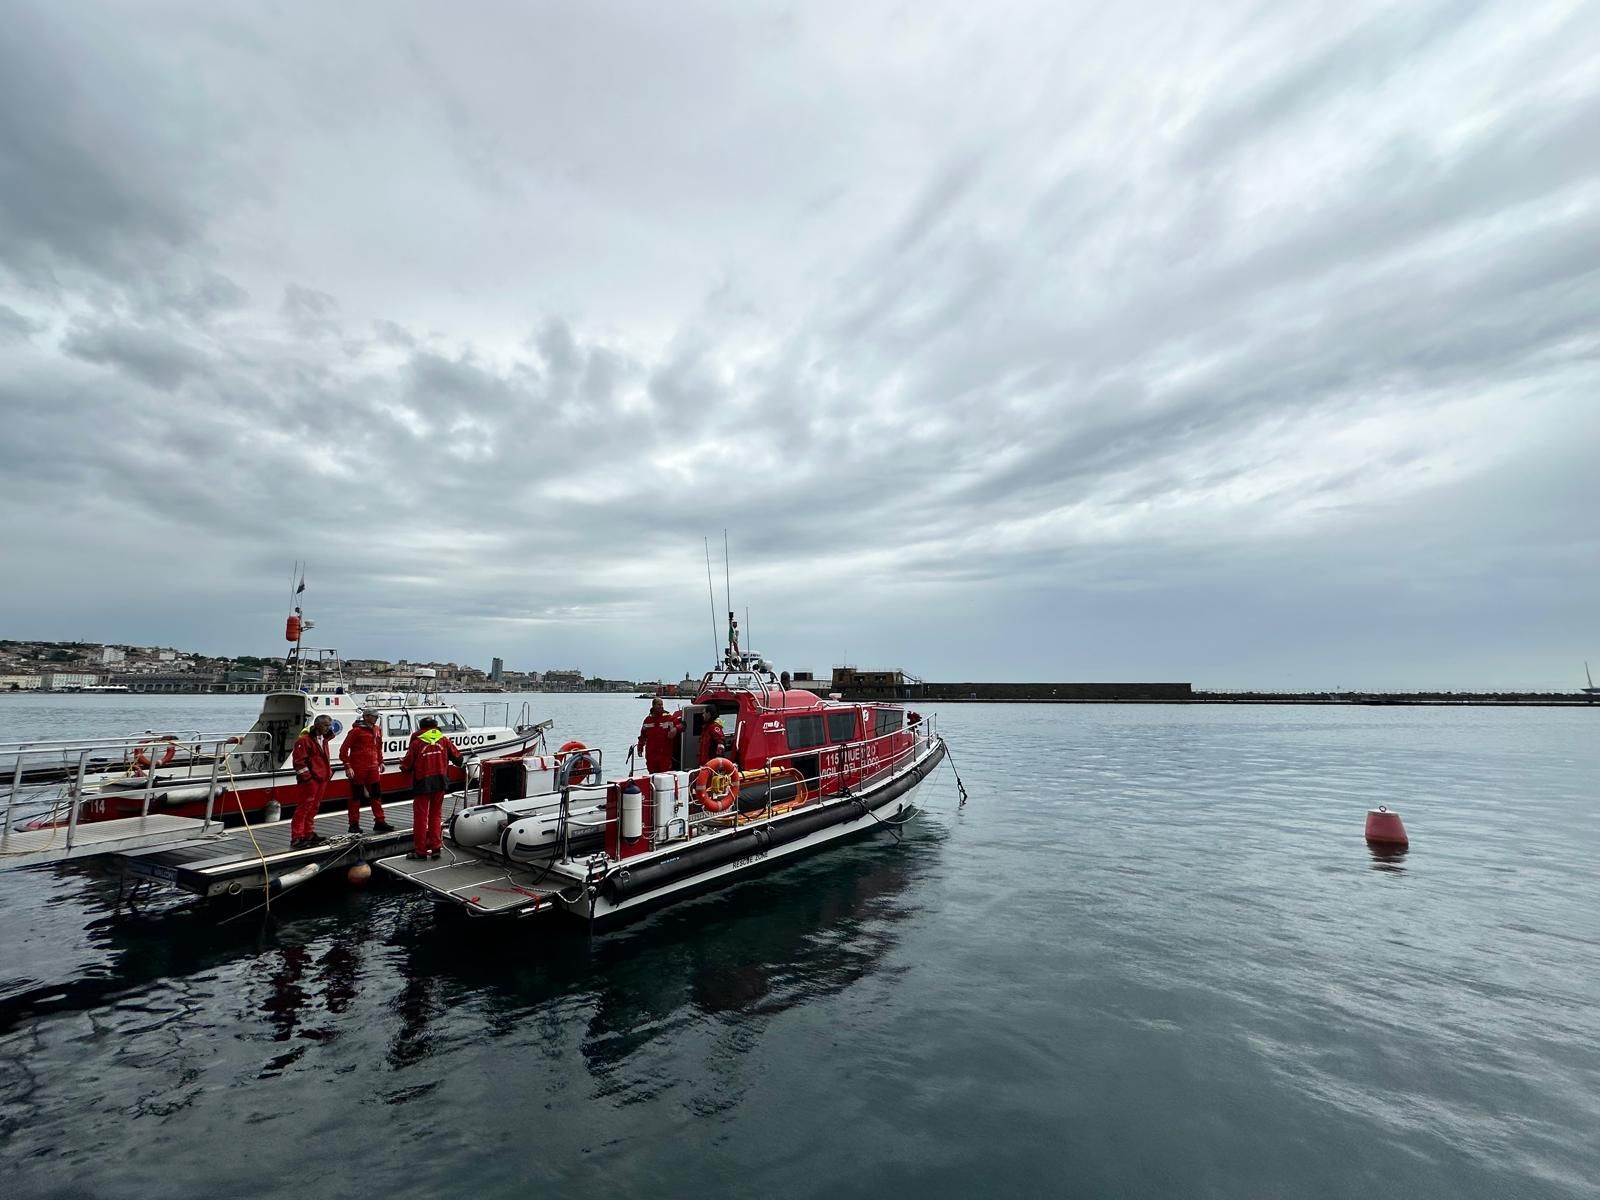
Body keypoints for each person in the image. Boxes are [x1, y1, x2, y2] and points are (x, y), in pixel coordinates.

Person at [401, 715, 463, 860]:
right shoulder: (444, 739)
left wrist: (402, 765)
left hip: (422, 783)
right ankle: (436, 848)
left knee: (420, 818)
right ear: (435, 727)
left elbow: (407, 765)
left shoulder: (416, 743)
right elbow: (459, 759)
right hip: (440, 782)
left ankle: (420, 852)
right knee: (436, 816)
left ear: (421, 728)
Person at [339, 707, 394, 835]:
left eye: (376, 716)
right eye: (374, 716)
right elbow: (343, 750)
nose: (376, 718)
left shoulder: (377, 730)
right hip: (358, 768)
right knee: (355, 797)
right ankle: (353, 824)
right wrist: (348, 766)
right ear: (366, 717)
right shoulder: (356, 731)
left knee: (376, 795)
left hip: (372, 768)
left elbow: (378, 747)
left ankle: (379, 821)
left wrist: (380, 761)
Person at [290, 714, 334, 850]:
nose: (328, 728)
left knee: (314, 806)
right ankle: (297, 836)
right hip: (311, 780)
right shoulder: (304, 740)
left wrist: (327, 773)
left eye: (329, 725)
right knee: (304, 807)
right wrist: (307, 777)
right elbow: (298, 762)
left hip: (321, 778)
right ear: (317, 724)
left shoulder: (323, 740)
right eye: (326, 725)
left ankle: (308, 832)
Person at [636, 698, 680, 774]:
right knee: (652, 776)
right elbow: (642, 736)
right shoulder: (647, 720)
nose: (661, 706)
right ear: (653, 706)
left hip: (665, 755)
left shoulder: (669, 718)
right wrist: (640, 748)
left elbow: (682, 725)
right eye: (659, 705)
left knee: (664, 776)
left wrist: (675, 729)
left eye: (662, 704)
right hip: (651, 756)